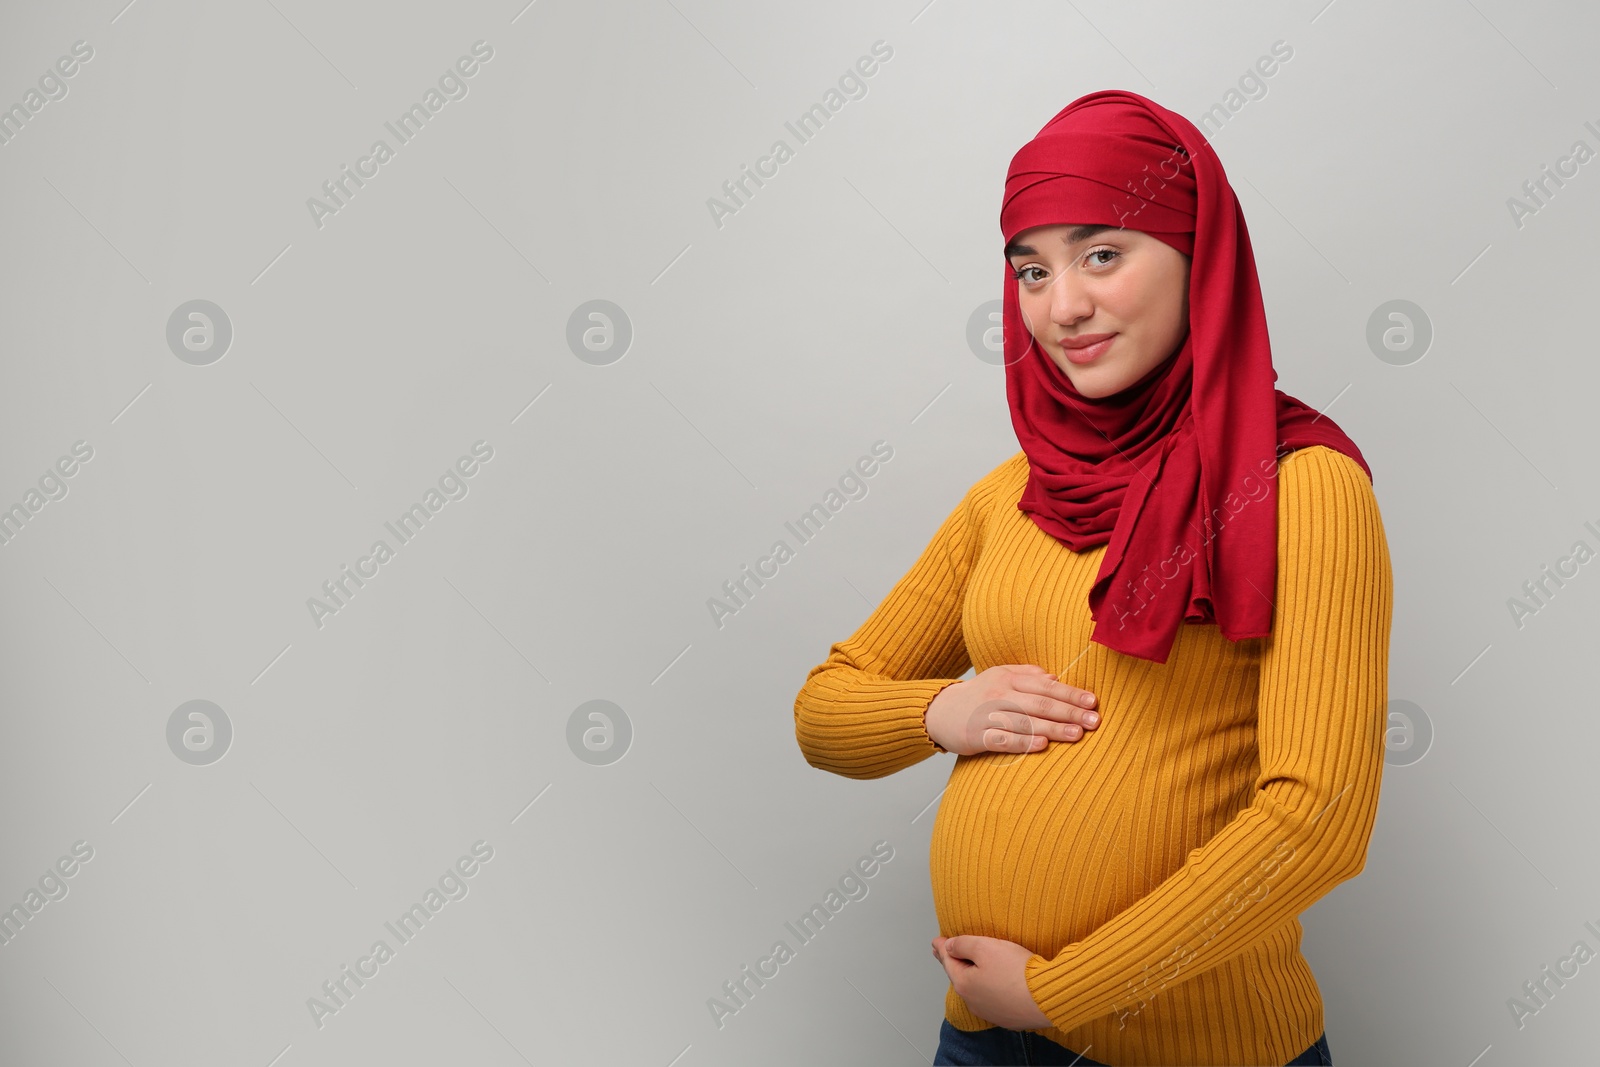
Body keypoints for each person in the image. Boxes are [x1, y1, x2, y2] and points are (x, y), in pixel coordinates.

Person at [792, 89, 1391, 1067]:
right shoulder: (1011, 494)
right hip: (984, 1042)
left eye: (1100, 254)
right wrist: (945, 709)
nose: (1060, 305)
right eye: (1030, 269)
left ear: (1201, 256)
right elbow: (824, 710)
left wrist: (1057, 989)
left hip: (1204, 1051)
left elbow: (1316, 816)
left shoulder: (1304, 488)